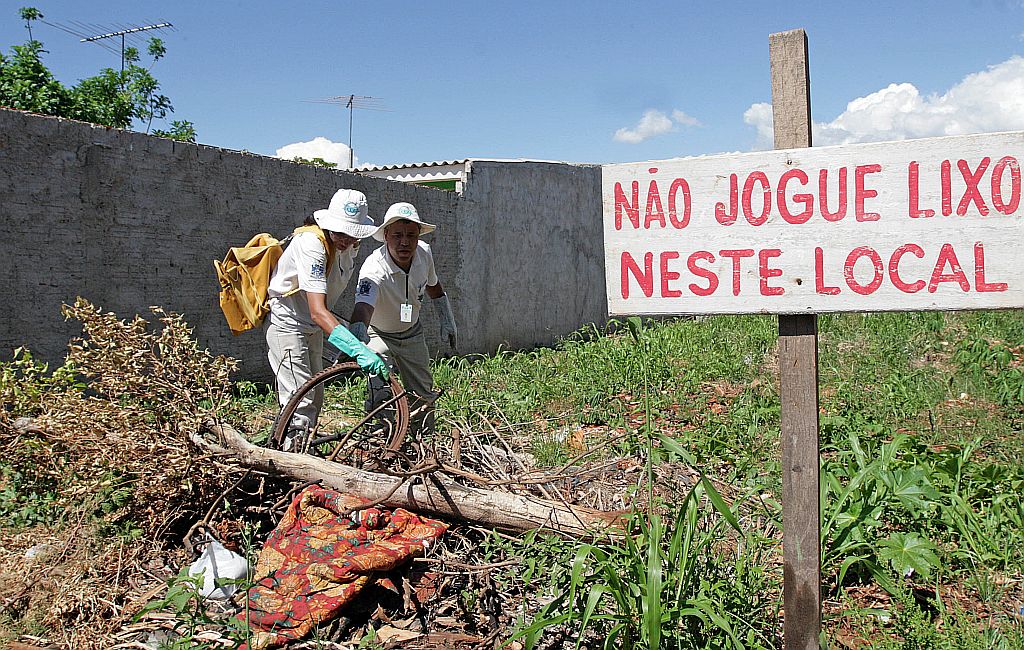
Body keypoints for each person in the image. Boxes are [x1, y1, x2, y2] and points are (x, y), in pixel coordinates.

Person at [265, 188, 388, 449]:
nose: (344, 239)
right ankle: (293, 459)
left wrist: (354, 330)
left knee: (315, 395)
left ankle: (300, 450)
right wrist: (357, 349)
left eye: (352, 234)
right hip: (288, 323)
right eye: (340, 232)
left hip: (311, 327)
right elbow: (318, 311)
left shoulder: (350, 247)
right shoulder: (312, 244)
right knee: (299, 400)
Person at [348, 201, 457, 410]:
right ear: (386, 235)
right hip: (379, 334)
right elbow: (363, 306)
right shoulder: (374, 268)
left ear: (418, 236)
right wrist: (357, 334)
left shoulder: (424, 254)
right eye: (397, 235)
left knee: (423, 393)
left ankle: (423, 439)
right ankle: (381, 436)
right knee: (379, 388)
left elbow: (434, 286)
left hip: (411, 332)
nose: (404, 242)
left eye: (411, 235)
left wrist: (447, 319)